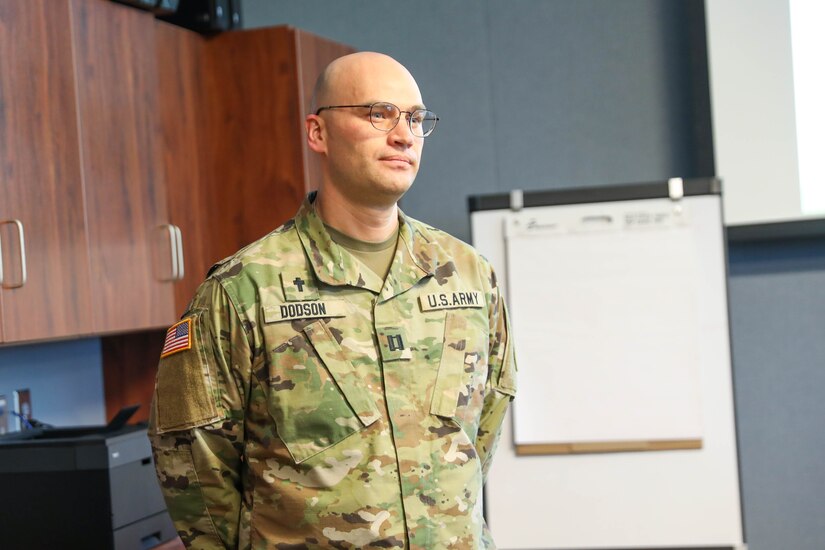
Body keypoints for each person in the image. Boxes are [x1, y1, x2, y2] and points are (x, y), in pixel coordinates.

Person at [149, 51, 516, 549]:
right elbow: (193, 464)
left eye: (415, 118)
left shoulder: (468, 277)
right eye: (378, 113)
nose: (404, 135)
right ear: (318, 133)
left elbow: (482, 431)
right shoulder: (243, 290)